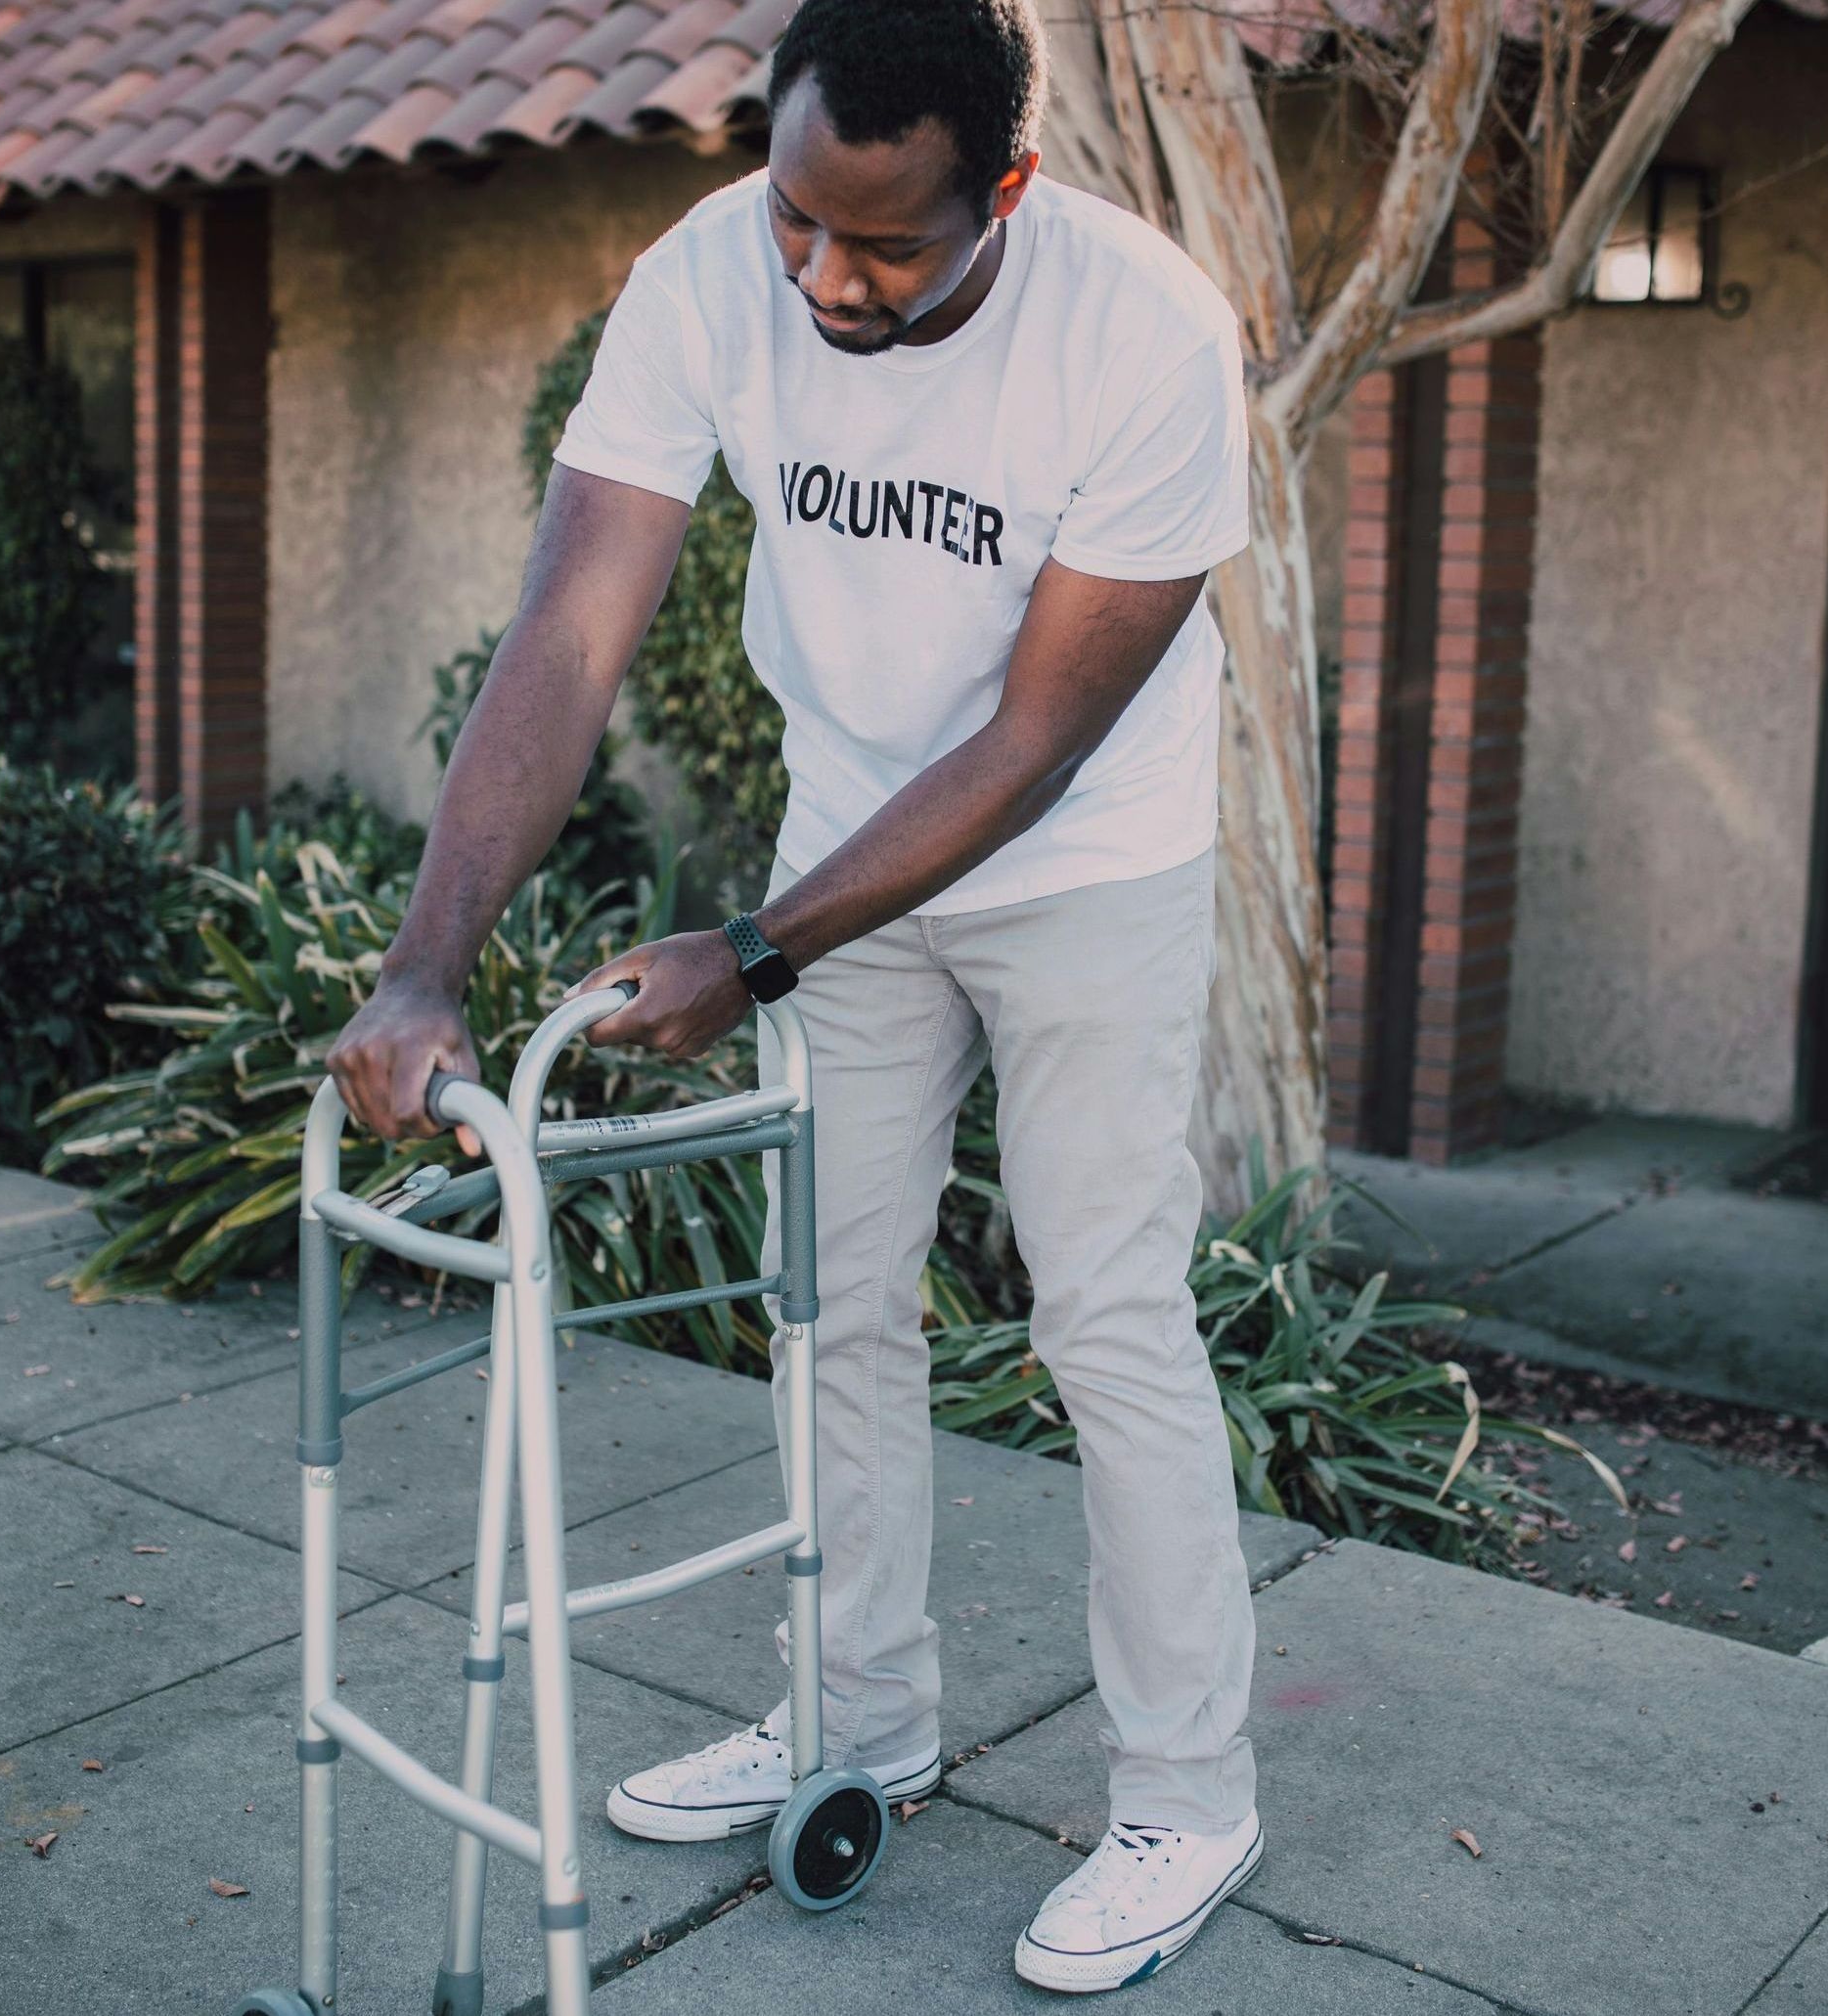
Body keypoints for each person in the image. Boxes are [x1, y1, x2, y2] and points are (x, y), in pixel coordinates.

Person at [324, 0, 1260, 1992]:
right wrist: (425, 961)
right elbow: (572, 630)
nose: (826, 280)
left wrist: (754, 949)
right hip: (844, 854)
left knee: (1106, 1318)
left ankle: (1187, 1788)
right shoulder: (704, 279)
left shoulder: (1151, 333)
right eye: (797, 223)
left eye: (886, 247)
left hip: (1082, 868)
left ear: (1002, 189)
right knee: (827, 1304)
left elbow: (1032, 743)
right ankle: (859, 1715)